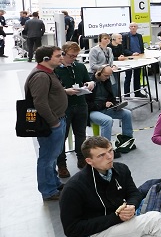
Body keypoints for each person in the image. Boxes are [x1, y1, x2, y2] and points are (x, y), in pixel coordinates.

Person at [59, 136, 161, 237]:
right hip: (92, 236)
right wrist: (116, 217)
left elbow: (134, 193)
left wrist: (132, 205)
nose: (109, 157)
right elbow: (71, 229)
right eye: (101, 155)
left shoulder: (121, 169)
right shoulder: (74, 188)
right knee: (155, 219)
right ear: (89, 161)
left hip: (120, 227)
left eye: (110, 151)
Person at [28, 46, 68, 200]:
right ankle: (48, 190)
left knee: (52, 155)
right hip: (51, 123)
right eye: (58, 56)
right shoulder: (41, 77)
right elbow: (40, 103)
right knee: (47, 157)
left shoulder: (48, 73)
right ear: (46, 59)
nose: (61, 58)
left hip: (57, 120)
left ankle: (54, 183)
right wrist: (54, 122)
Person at [55, 41, 93, 177]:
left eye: (76, 56)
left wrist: (90, 84)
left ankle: (82, 159)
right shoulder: (55, 70)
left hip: (81, 104)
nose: (74, 59)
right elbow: (53, 90)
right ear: (63, 54)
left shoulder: (80, 67)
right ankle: (62, 165)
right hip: (64, 108)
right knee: (62, 137)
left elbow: (88, 80)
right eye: (71, 56)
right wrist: (66, 91)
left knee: (81, 134)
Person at [89, 65, 134, 153]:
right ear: (99, 73)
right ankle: (106, 148)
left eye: (109, 75)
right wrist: (103, 104)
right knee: (107, 121)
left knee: (127, 113)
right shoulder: (90, 83)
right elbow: (87, 104)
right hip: (93, 111)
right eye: (106, 75)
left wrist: (115, 105)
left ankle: (127, 139)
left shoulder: (106, 81)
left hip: (105, 108)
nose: (108, 78)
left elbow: (111, 97)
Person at [121, 23, 146, 97]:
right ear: (129, 27)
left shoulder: (139, 36)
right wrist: (132, 53)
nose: (133, 28)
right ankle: (127, 94)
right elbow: (124, 48)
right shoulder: (125, 36)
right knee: (128, 77)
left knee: (137, 76)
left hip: (138, 59)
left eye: (134, 26)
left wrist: (142, 53)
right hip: (129, 59)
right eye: (131, 26)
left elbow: (141, 46)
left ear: (137, 27)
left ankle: (137, 92)